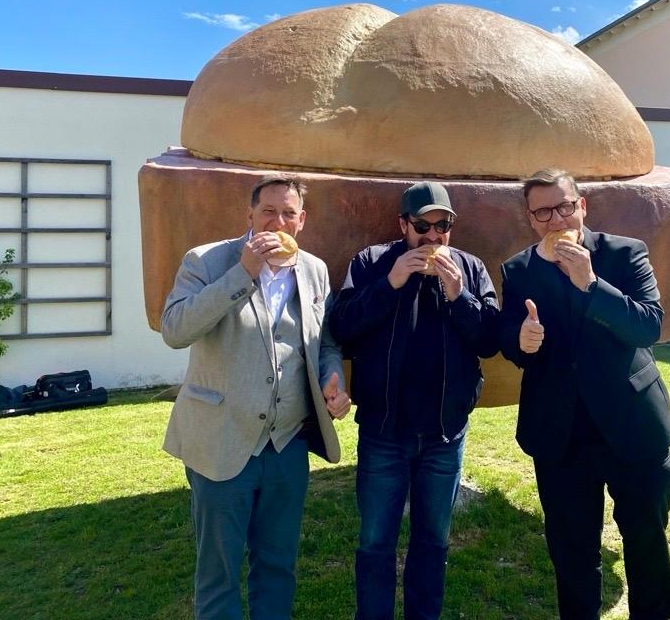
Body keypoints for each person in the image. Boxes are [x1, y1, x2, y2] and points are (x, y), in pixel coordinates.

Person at [161, 175, 351, 620]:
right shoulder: (207, 260)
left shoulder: (314, 269)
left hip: (286, 445)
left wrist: (333, 377)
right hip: (221, 440)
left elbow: (324, 342)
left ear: (301, 220)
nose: (278, 221)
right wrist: (242, 272)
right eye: (268, 211)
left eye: (288, 213)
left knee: (277, 566)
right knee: (218, 572)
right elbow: (175, 329)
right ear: (249, 214)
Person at [498, 168, 670, 620]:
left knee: (647, 544)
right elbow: (510, 340)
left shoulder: (624, 253)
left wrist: (591, 285)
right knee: (572, 553)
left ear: (582, 206)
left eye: (563, 206)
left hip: (631, 426)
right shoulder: (518, 270)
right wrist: (522, 342)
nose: (556, 220)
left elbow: (648, 326)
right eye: (542, 212)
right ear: (531, 219)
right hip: (560, 434)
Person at [329, 181, 500, 620]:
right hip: (385, 432)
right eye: (422, 225)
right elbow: (343, 327)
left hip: (444, 434)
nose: (433, 235)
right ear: (403, 224)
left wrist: (459, 295)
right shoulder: (371, 262)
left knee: (432, 542)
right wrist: (392, 282)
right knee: (375, 543)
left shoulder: (470, 268)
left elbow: (488, 340)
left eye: (443, 225)